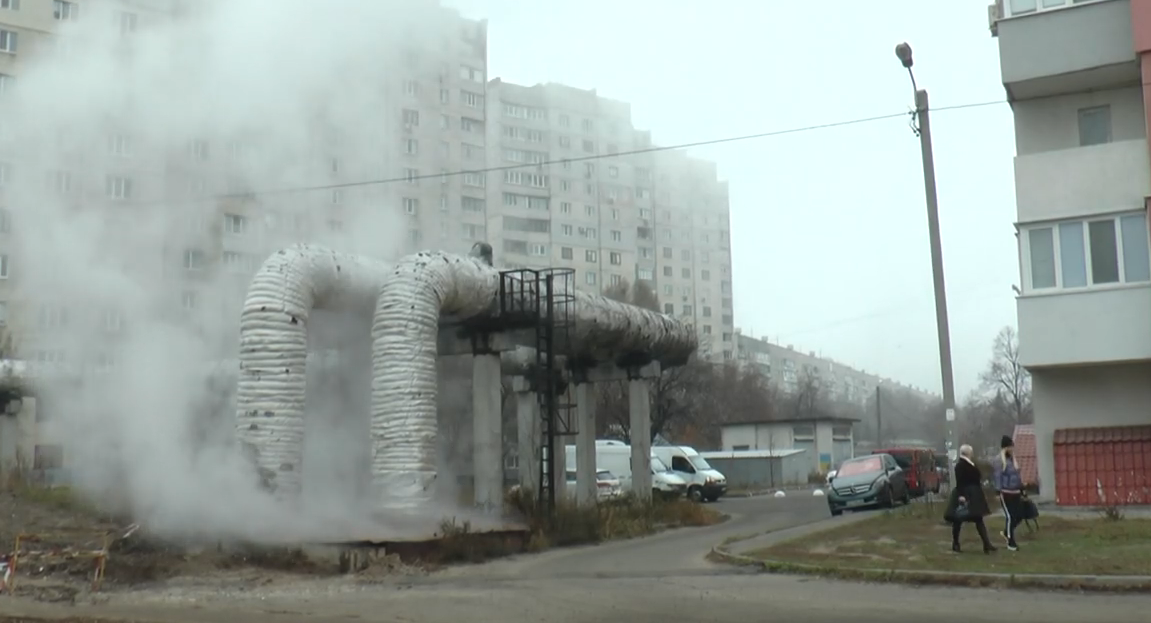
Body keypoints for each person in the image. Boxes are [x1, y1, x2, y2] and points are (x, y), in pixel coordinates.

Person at [944, 444, 996, 554]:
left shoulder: (970, 463)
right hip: (966, 493)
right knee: (958, 519)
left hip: (974, 493)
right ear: (967, 453)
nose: (972, 453)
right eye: (971, 451)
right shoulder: (960, 465)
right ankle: (956, 543)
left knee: (978, 519)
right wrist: (961, 495)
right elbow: (960, 481)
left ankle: (986, 544)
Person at [992, 434, 1024, 551]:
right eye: (1011, 446)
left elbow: (1017, 475)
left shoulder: (1013, 459)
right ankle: (1011, 542)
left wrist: (1022, 488)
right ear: (1006, 447)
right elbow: (997, 476)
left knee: (1019, 515)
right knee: (1010, 517)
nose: (1012, 449)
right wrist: (997, 491)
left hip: (1015, 491)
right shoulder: (999, 460)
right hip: (1006, 492)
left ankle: (1006, 532)